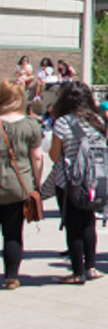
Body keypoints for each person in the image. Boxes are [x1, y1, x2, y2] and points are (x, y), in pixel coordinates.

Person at [49, 81, 108, 284]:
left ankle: (77, 272)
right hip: (93, 180)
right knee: (89, 222)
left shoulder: (62, 122)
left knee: (72, 225)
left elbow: (55, 155)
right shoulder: (97, 121)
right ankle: (91, 266)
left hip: (69, 181)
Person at [0, 80, 43, 290]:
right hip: (19, 185)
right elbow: (37, 158)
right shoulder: (30, 125)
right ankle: (11, 276)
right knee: (13, 232)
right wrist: (36, 183)